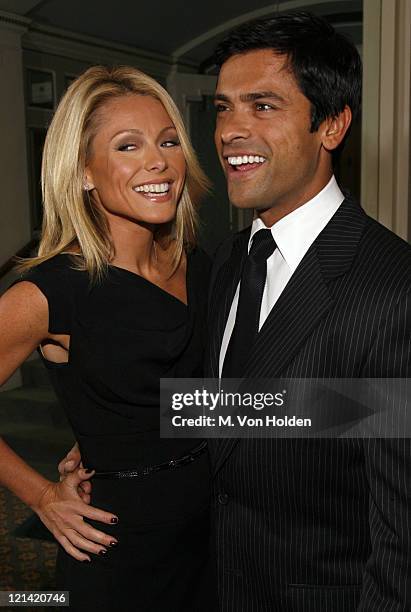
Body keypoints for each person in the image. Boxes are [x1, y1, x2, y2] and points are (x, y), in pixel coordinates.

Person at [60, 12, 411, 612]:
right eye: (223, 108)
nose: (230, 131)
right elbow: (257, 410)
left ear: (331, 125)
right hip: (199, 580)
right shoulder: (221, 261)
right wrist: (117, 445)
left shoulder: (392, 286)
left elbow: (399, 537)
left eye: (264, 106)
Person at [0, 65, 215, 611]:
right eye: (128, 145)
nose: (159, 161)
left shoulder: (198, 263)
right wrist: (43, 495)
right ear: (84, 172)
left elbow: (200, 398)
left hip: (216, 528)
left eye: (169, 141)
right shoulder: (51, 292)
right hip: (121, 544)